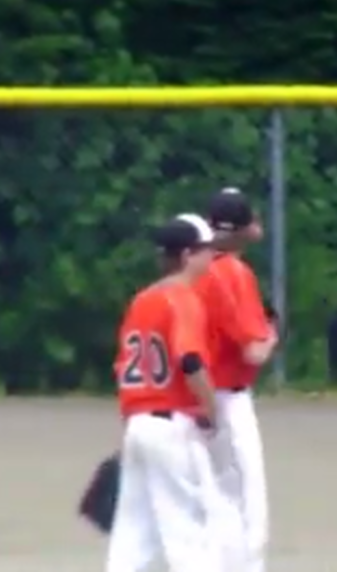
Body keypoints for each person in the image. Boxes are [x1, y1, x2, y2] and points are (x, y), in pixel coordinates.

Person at [106, 213, 222, 572]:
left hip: (139, 423)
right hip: (171, 424)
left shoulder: (142, 300)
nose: (212, 258)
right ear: (188, 255)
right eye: (206, 251)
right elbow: (189, 360)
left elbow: (123, 366)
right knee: (187, 529)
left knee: (133, 535)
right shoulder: (182, 298)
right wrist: (212, 409)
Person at [194, 187, 279, 572]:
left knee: (210, 501)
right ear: (245, 229)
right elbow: (253, 352)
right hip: (226, 399)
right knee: (247, 504)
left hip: (190, 399)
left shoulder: (190, 268)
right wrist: (273, 332)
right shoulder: (233, 273)